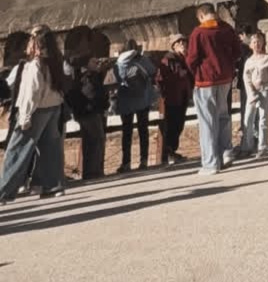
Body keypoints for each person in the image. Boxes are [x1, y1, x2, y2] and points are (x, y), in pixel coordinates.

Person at [0, 27, 66, 201]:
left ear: (36, 45)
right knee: (50, 147)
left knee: (17, 149)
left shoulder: (35, 66)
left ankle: (4, 190)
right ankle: (53, 185)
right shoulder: (55, 63)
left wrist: (25, 116)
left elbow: (32, 93)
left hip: (36, 110)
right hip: (53, 107)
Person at [185, 4, 242, 176]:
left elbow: (192, 59)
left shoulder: (198, 32)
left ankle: (210, 163)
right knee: (223, 115)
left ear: (201, 16)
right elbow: (237, 52)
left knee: (207, 121)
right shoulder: (227, 29)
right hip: (225, 78)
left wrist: (195, 73)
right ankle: (226, 152)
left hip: (205, 80)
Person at [113, 41, 156, 171]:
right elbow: (152, 71)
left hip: (126, 100)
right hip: (143, 99)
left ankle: (126, 162)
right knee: (143, 130)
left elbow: (117, 78)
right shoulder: (142, 60)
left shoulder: (119, 63)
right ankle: (144, 160)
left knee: (127, 132)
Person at [68, 54, 111, 181]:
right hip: (89, 112)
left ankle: (91, 171)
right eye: (93, 61)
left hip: (87, 112)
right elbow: (93, 93)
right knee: (96, 140)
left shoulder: (88, 76)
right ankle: (93, 171)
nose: (97, 63)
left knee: (90, 141)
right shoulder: (87, 78)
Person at [154, 38, 193, 165]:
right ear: (174, 46)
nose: (182, 45)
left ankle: (172, 151)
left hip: (183, 97)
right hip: (172, 97)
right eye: (179, 43)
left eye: (184, 42)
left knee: (179, 124)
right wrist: (178, 76)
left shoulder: (185, 59)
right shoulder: (168, 60)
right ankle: (168, 153)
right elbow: (160, 79)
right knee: (172, 125)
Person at [241, 33, 268, 158]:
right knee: (248, 119)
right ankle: (247, 146)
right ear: (250, 45)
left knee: (263, 119)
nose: (257, 44)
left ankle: (263, 146)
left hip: (265, 89)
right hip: (252, 91)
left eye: (259, 41)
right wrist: (251, 93)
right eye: (254, 42)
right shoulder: (249, 61)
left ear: (262, 43)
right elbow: (246, 78)